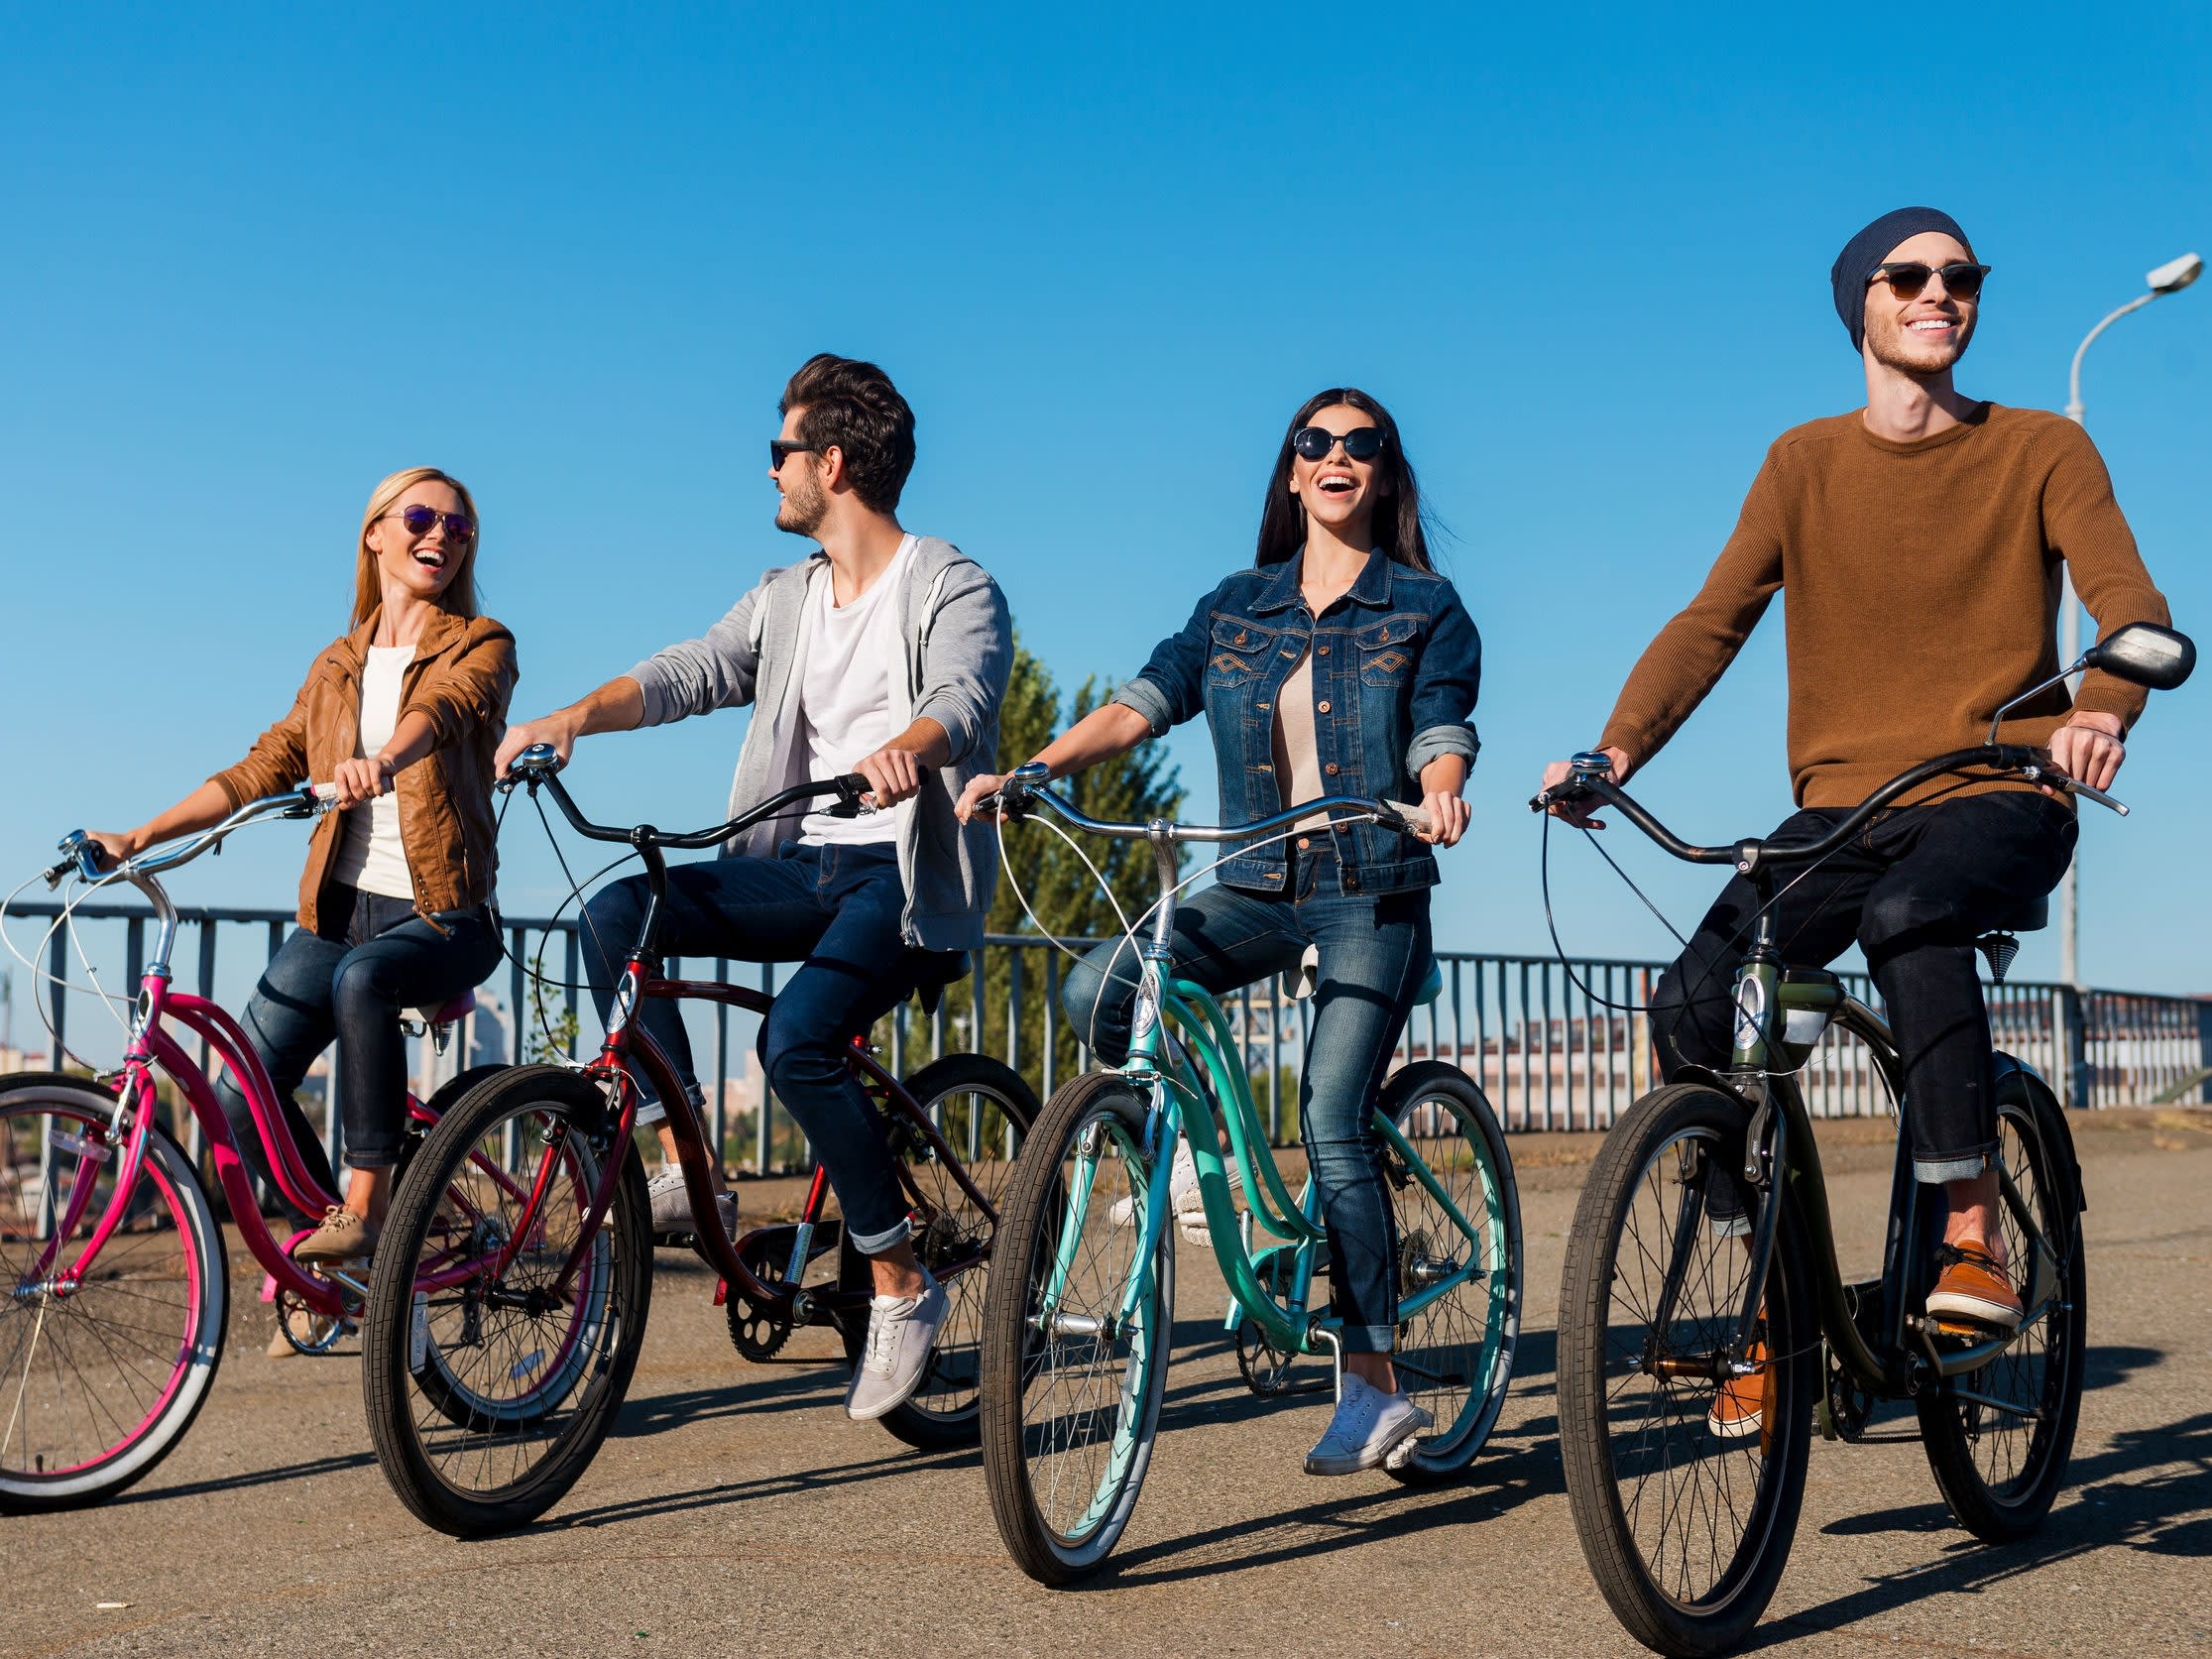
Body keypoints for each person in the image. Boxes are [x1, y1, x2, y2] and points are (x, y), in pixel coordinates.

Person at [1541, 206, 2172, 1438]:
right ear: (1860, 305)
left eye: (1961, 277)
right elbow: (1709, 619)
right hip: (1837, 808)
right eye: (1908, 276)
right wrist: (1613, 748)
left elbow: (2124, 600)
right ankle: (1772, 1308)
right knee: (1687, 1000)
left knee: (1909, 914)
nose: (1940, 293)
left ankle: (1973, 1232)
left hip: (1998, 791)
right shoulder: (1800, 463)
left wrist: (2096, 710)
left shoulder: (2038, 448)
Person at [959, 387, 1480, 1477]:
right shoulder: (1234, 606)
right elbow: (1142, 700)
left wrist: (1439, 787)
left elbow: (1440, 720)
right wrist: (1037, 768)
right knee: (1099, 988)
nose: (1336, 456)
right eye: (1314, 442)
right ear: (1290, 473)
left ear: (1382, 474)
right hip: (1250, 881)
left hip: (1367, 885)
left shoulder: (1424, 605)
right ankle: (1200, 1162)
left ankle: (1373, 1380)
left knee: (1333, 1113)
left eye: (1360, 444)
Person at [497, 354, 1011, 1422]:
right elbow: (693, 669)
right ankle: (690, 1158)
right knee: (614, 909)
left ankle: (898, 1278)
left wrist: (907, 748)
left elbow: (964, 693)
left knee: (795, 1041)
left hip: (896, 878)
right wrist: (568, 719)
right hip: (798, 868)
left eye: (779, 452)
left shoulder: (951, 581)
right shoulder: (786, 598)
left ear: (830, 461)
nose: (769, 473)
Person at [89, 467, 514, 1283]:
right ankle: (343, 1258)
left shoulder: (482, 641)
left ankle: (371, 1205)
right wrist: (137, 835)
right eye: (421, 518)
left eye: (458, 528)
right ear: (375, 533)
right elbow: (260, 768)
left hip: (444, 914)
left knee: (364, 980)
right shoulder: (335, 667)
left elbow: (453, 707)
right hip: (340, 912)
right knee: (243, 1090)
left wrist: (381, 760)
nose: (440, 537)